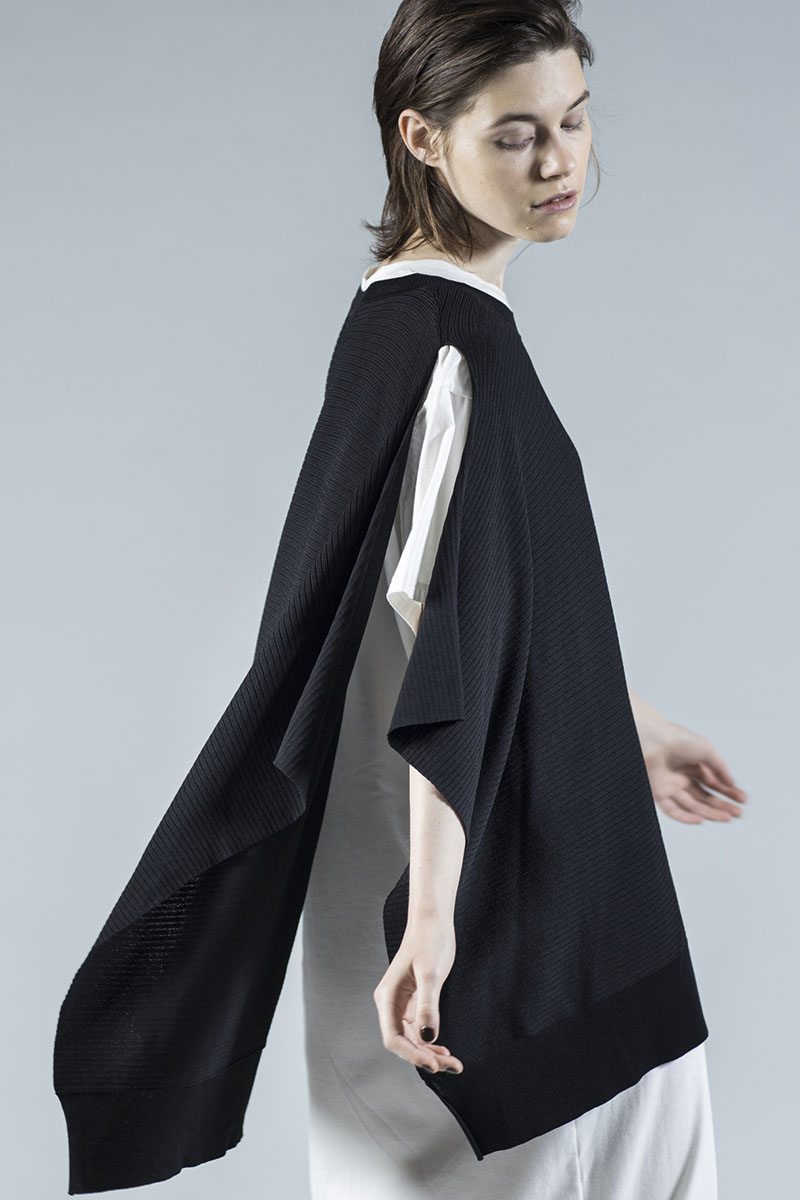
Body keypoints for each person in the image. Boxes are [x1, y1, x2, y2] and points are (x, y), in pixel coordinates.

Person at [300, 1, 747, 1197]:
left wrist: (624, 724)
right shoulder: (458, 354)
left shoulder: (393, 319)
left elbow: (469, 603)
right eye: (514, 134)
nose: (559, 161)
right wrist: (433, 917)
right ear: (421, 137)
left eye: (574, 120)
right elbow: (454, 651)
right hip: (526, 911)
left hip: (448, 884)